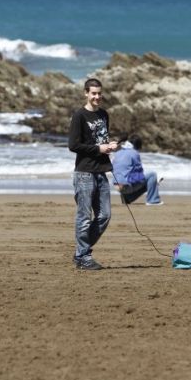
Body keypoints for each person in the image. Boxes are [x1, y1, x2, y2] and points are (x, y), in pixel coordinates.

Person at [68, 78, 119, 270]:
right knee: (84, 216)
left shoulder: (104, 114)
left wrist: (110, 146)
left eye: (99, 93)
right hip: (84, 173)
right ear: (86, 93)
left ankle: (81, 252)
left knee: (104, 216)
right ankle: (84, 256)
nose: (97, 97)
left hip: (101, 171)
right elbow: (73, 145)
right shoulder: (79, 116)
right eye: (93, 93)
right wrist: (100, 148)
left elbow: (101, 140)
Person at [112, 134, 163, 206]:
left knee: (147, 180)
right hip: (126, 186)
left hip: (116, 185)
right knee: (152, 175)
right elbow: (138, 172)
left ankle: (128, 198)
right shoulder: (134, 153)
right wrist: (153, 183)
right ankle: (153, 200)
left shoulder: (118, 152)